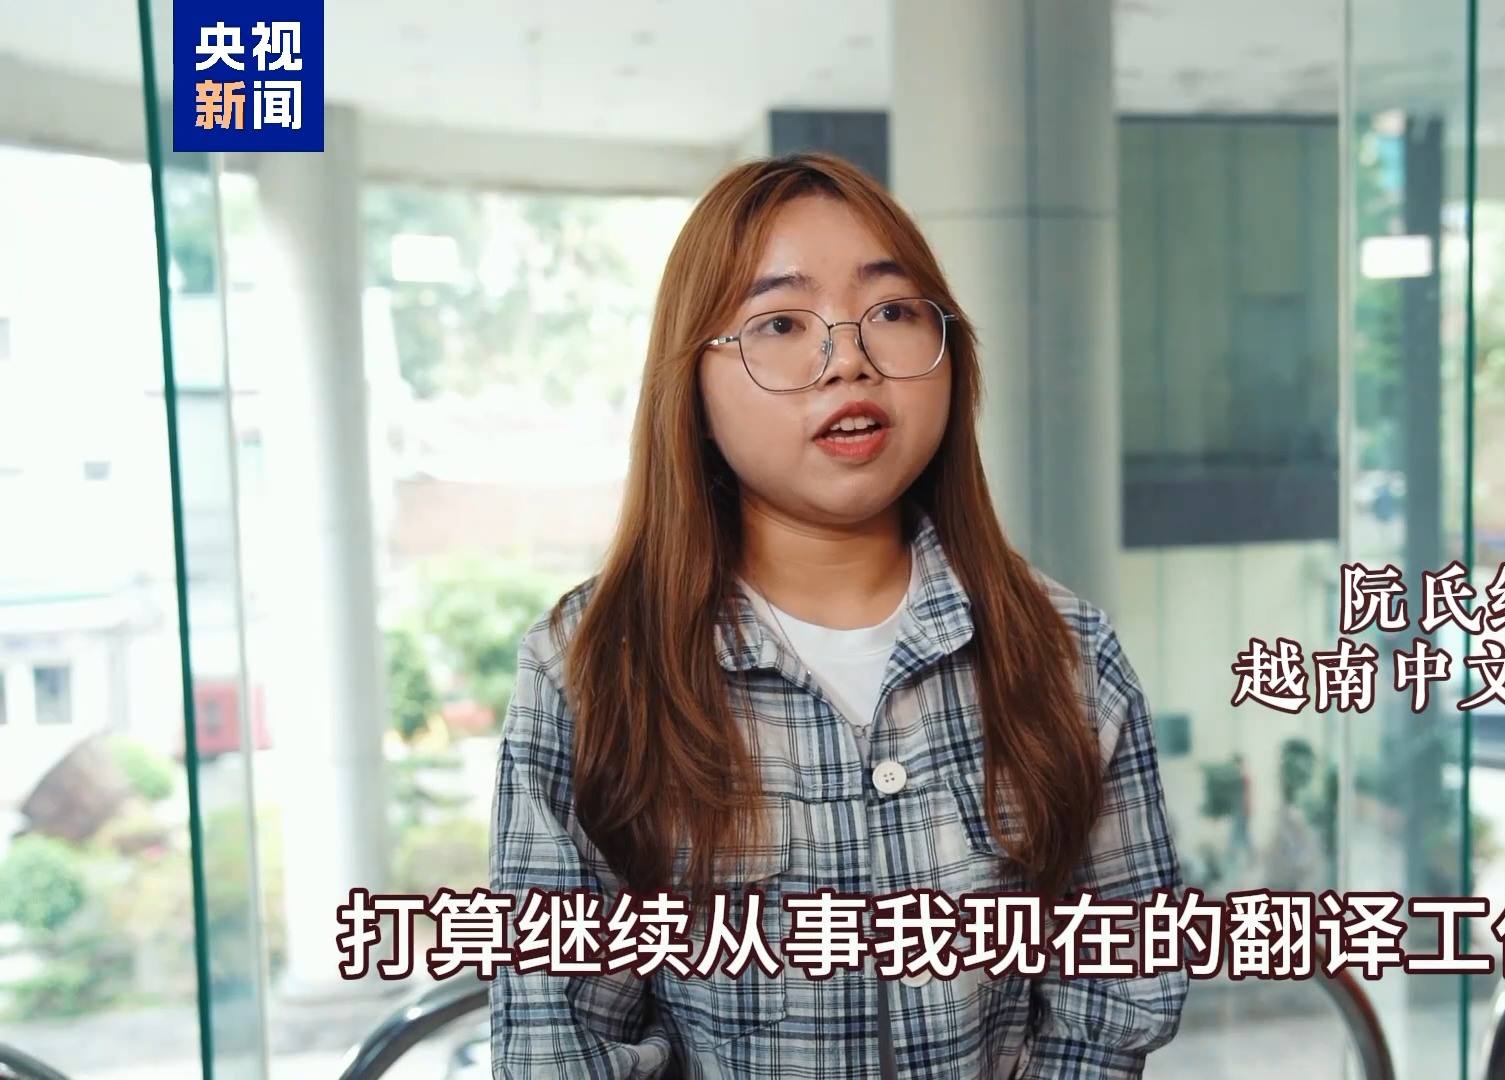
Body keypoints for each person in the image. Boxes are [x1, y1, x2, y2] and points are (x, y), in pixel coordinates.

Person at [489, 151, 1189, 1078]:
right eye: (781, 323)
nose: (850, 358)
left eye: (893, 311)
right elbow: (560, 1042)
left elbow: (1113, 1002)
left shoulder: (1068, 654)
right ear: (691, 386)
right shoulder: (587, 670)